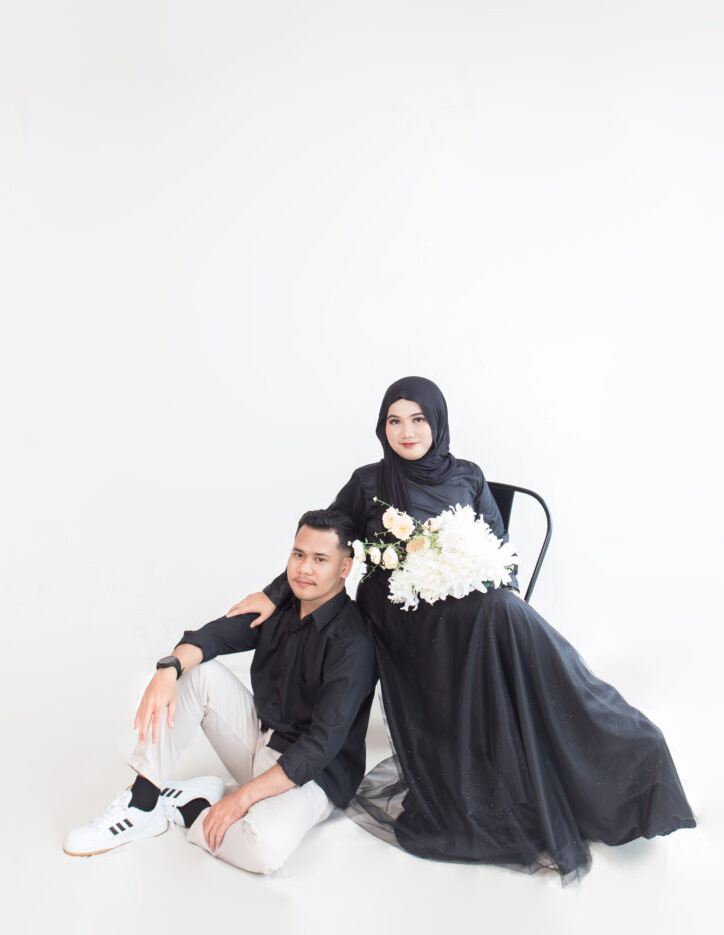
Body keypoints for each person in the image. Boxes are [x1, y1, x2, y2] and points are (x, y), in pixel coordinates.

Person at [228, 376, 696, 882]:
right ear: (382, 428)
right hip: (400, 619)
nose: (407, 432)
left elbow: (501, 554)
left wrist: (482, 578)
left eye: (418, 419)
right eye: (394, 421)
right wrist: (274, 593)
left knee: (504, 610)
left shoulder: (468, 475)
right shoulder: (368, 483)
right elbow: (323, 543)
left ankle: (614, 739)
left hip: (468, 611)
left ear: (438, 421)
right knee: (502, 614)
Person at [63, 509, 376, 874]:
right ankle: (142, 804)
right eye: (298, 554)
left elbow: (319, 747)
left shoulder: (353, 644)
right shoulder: (280, 606)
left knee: (265, 850)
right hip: (261, 742)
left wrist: (239, 800)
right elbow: (215, 636)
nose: (304, 568)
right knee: (198, 671)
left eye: (320, 559)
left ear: (344, 568)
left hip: (314, 775)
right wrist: (168, 669)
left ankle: (192, 809)